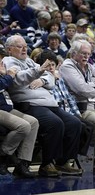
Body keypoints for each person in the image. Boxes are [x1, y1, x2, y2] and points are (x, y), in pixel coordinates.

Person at [2, 35, 82, 177]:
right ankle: (47, 164)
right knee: (55, 123)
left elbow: (51, 79)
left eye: (26, 46)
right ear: (9, 49)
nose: (24, 49)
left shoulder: (29, 61)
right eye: (19, 46)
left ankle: (62, 162)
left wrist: (43, 80)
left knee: (74, 123)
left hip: (48, 102)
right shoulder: (8, 62)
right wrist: (38, 72)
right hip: (29, 103)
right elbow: (18, 80)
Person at [0, 57, 39, 178]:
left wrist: (4, 75)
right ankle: (2, 156)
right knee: (23, 126)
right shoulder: (6, 75)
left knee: (33, 122)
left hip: (7, 107)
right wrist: (9, 76)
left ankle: (22, 164)